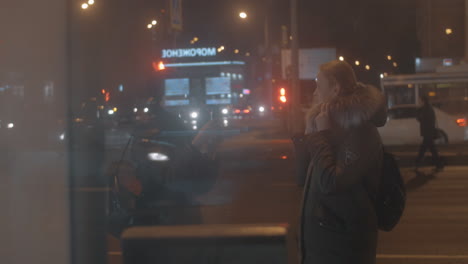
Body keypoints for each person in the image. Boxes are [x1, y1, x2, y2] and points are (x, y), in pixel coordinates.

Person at [300, 60, 387, 264]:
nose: (314, 92)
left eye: (319, 85)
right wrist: (308, 136)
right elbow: (301, 178)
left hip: (344, 248)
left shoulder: (361, 131)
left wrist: (320, 136)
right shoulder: (329, 125)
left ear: (336, 88)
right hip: (324, 245)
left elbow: (331, 182)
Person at [415, 95, 443, 170]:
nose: (419, 102)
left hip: (428, 132)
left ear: (423, 100)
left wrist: (418, 114)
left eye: (420, 100)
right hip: (428, 132)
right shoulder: (427, 108)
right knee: (429, 149)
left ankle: (417, 163)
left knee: (425, 149)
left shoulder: (427, 109)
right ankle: (439, 165)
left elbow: (422, 119)